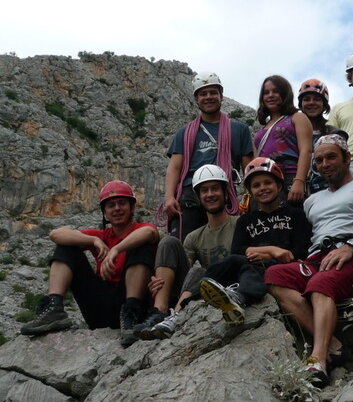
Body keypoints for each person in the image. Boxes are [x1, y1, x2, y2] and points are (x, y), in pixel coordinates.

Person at [264, 134, 353, 387]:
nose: (324, 164)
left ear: (347, 158)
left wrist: (351, 247)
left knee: (322, 283)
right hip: (316, 257)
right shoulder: (311, 202)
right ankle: (333, 344)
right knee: (275, 276)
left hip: (351, 253)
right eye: (319, 160)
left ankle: (318, 360)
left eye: (331, 157)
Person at [20, 181, 159, 348]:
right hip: (101, 308)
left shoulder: (142, 229)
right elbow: (56, 234)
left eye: (122, 203)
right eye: (110, 205)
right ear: (105, 212)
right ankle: (54, 307)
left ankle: (130, 313)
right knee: (67, 246)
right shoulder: (102, 236)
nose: (117, 209)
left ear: (132, 207)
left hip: (136, 309)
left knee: (140, 246)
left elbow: (150, 233)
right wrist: (94, 240)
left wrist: (116, 250)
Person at [197, 157, 311, 324]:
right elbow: (237, 250)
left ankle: (240, 297)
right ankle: (193, 297)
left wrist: (263, 253)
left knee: (252, 268)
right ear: (250, 192)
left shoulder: (295, 214)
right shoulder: (246, 220)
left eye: (268, 183)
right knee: (232, 262)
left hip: (281, 267)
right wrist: (271, 250)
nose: (263, 188)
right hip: (251, 263)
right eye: (256, 185)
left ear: (279, 186)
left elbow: (298, 251)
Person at [134, 165, 239, 339]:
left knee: (200, 272)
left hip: (231, 286)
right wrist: (159, 281)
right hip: (202, 289)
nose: (210, 194)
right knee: (168, 242)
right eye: (204, 190)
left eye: (215, 188)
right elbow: (186, 273)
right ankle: (159, 311)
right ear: (198, 197)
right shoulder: (194, 237)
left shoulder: (239, 224)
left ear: (225, 193)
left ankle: (176, 317)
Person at [163, 71, 253, 241]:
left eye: (213, 92)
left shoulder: (239, 130)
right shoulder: (185, 133)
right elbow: (175, 167)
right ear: (196, 99)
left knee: (227, 245)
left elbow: (248, 167)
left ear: (221, 96)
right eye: (203, 94)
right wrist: (169, 197)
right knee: (180, 245)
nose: (208, 97)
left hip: (224, 192)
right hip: (191, 194)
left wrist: (250, 198)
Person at [254, 75, 313, 205]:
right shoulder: (261, 131)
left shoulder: (297, 118)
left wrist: (299, 181)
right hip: (265, 181)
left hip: (290, 177)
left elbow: (306, 151)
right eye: (266, 92)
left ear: (285, 94)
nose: (270, 95)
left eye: (275, 91)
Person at [298, 78, 338, 194]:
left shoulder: (333, 132)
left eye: (317, 99)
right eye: (307, 99)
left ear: (324, 104)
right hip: (299, 192)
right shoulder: (292, 133)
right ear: (301, 104)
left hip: (328, 191)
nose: (311, 103)